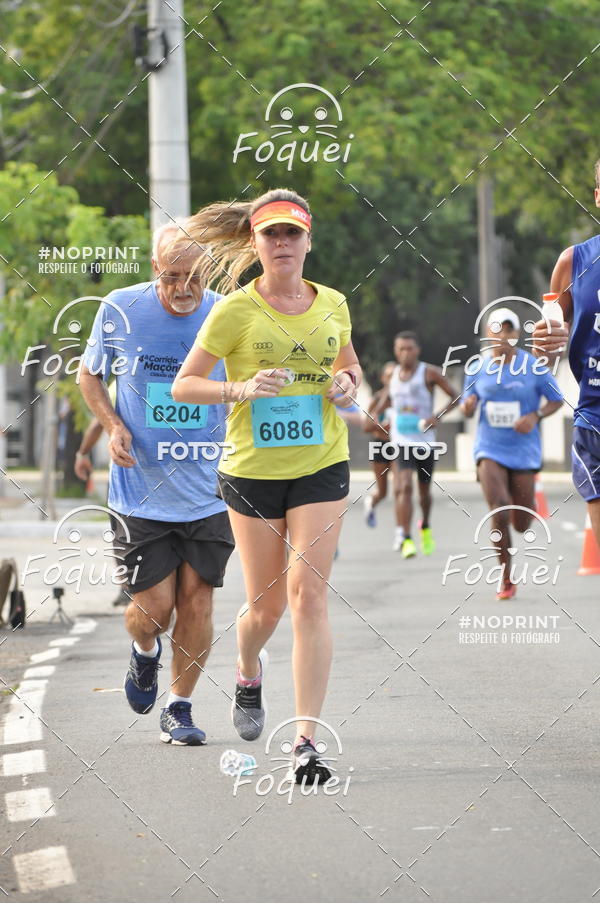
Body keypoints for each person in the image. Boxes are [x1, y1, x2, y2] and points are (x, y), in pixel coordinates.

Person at [172, 188, 361, 783]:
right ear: (254, 244)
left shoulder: (333, 303)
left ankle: (306, 739)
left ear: (309, 241)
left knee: (309, 597)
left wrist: (348, 386)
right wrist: (241, 389)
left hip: (322, 464)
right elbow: (184, 385)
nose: (282, 244)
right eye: (270, 234)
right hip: (252, 470)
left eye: (292, 234)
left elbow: (350, 367)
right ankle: (248, 665)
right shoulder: (233, 310)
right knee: (266, 606)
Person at [79, 222, 234, 746]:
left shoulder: (225, 312)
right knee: (154, 612)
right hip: (140, 491)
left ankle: (180, 707)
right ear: (154, 271)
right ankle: (145, 653)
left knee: (199, 601)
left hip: (210, 489)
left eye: (194, 277)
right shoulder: (121, 309)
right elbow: (89, 375)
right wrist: (113, 425)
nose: (184, 288)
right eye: (172, 277)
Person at [462, 307, 562, 600]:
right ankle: (506, 576)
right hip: (489, 448)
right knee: (500, 508)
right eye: (496, 330)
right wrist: (467, 406)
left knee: (521, 521)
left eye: (508, 330)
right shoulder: (477, 367)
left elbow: (556, 400)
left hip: (524, 450)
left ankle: (522, 518)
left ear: (516, 335)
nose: (502, 336)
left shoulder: (533, 367)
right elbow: (468, 399)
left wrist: (535, 416)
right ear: (487, 335)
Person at [532, 158, 600, 547]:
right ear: (597, 196)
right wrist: (545, 345)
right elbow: (546, 354)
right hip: (594, 422)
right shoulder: (572, 262)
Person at [377, 331, 456, 557]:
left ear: (417, 350)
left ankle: (425, 526)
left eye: (410, 348)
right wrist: (377, 416)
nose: (405, 353)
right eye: (401, 349)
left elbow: (456, 396)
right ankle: (405, 536)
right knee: (403, 486)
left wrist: (437, 417)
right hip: (401, 441)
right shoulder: (392, 375)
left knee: (423, 493)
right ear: (395, 351)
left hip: (424, 442)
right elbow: (385, 401)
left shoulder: (428, 373)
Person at [362, 361, 395, 528]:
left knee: (402, 486)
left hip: (399, 446)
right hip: (380, 445)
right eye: (389, 376)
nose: (392, 379)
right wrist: (383, 427)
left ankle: (402, 527)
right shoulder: (377, 398)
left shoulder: (405, 397)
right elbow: (366, 426)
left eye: (395, 375)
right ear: (383, 378)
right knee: (382, 492)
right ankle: (370, 504)